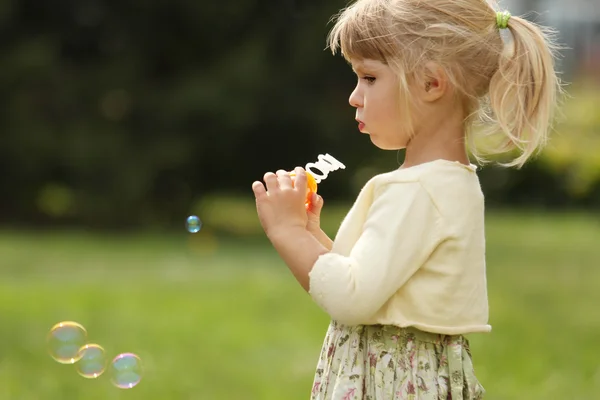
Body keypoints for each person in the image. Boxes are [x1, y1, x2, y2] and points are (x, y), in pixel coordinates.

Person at [251, 0, 562, 398]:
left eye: (369, 77)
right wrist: (311, 232)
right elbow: (375, 283)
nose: (354, 97)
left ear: (432, 84)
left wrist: (287, 230)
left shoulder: (418, 190)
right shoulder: (444, 183)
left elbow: (351, 298)